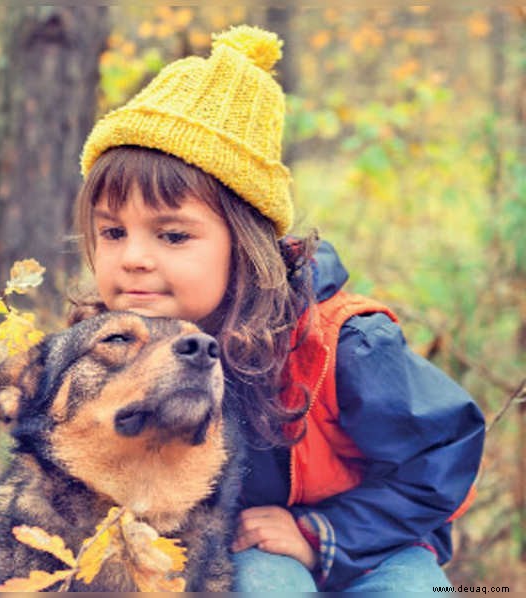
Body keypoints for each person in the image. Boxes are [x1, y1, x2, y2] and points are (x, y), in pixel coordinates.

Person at [70, 25, 485, 592]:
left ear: (245, 243)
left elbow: (447, 451)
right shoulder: (109, 349)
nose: (133, 258)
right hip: (248, 550)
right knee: (265, 584)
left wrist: (322, 533)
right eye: (113, 232)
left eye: (172, 236)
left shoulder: (343, 344)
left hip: (376, 545)